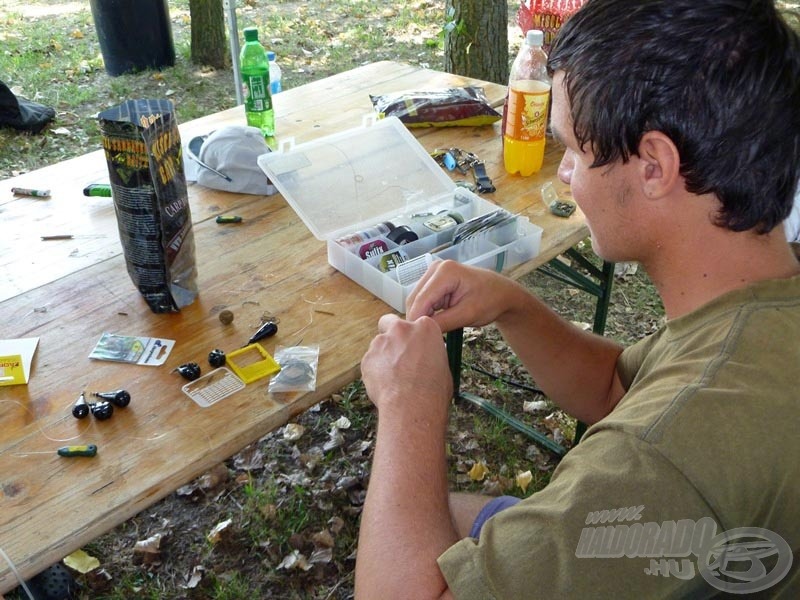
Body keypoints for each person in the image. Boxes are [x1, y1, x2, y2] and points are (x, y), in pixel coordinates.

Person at [354, 0, 800, 598]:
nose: (565, 176)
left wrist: (410, 402)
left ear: (654, 166)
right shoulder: (755, 307)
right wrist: (513, 304)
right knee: (451, 515)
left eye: (572, 151)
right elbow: (616, 392)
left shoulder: (661, 455)